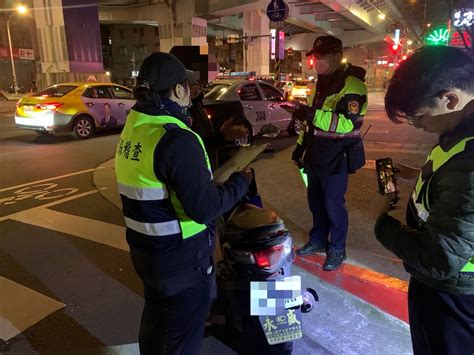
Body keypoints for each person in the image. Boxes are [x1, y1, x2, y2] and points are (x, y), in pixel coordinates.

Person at [114, 52, 251, 355]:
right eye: (186, 85)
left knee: (156, 323)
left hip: (147, 253)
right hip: (183, 260)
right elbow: (203, 208)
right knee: (182, 338)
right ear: (177, 90)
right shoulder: (176, 138)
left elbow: (168, 171)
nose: (191, 90)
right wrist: (241, 182)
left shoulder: (136, 127)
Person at [372, 46, 474, 355]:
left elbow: (440, 260)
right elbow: (451, 181)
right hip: (444, 287)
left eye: (419, 118)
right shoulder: (460, 134)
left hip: (453, 297)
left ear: (450, 99)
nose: (419, 127)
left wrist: (382, 223)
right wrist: (417, 174)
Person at [291, 35, 367, 271]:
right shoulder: (319, 83)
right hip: (315, 154)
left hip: (337, 157)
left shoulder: (353, 85)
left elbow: (348, 123)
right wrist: (300, 146)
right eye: (314, 57)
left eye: (321, 57)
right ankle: (317, 240)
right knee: (315, 203)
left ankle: (337, 249)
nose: (317, 61)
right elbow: (311, 123)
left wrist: (312, 116)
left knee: (333, 205)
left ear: (337, 56)